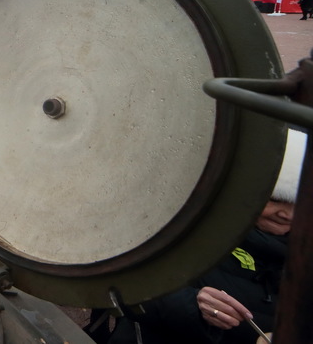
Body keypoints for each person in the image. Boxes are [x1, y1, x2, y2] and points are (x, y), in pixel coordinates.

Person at [102, 129, 304, 344]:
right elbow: (125, 287)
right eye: (275, 199)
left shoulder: (304, 256)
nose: (288, 214)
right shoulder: (192, 225)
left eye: (300, 203)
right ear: (246, 190)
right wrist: (192, 306)